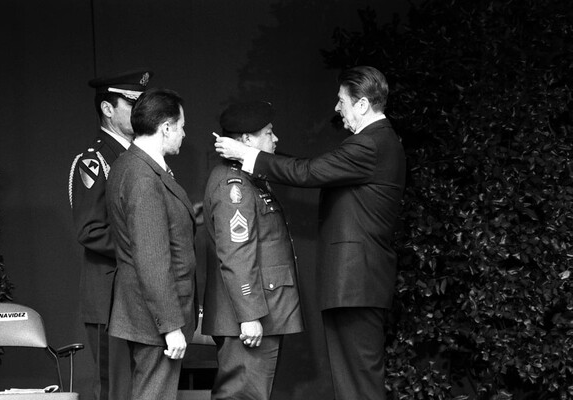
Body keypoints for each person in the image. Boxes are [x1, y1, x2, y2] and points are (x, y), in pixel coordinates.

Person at [214, 66, 406, 400]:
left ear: (361, 105)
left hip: (356, 283)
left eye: (341, 101)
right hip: (357, 283)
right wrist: (256, 157)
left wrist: (248, 155)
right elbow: (309, 167)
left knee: (358, 380)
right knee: (353, 379)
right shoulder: (375, 143)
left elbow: (310, 172)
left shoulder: (370, 144)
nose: (336, 108)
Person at [202, 101, 304, 400]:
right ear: (246, 140)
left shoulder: (248, 178)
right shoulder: (234, 184)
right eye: (268, 132)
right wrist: (249, 315)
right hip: (248, 315)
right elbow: (237, 252)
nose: (275, 139)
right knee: (241, 396)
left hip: (262, 310)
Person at [105, 88, 198, 400]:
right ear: (166, 127)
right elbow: (152, 257)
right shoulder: (145, 177)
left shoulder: (126, 164)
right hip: (154, 317)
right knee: (155, 394)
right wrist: (171, 326)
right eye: (182, 126)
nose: (184, 134)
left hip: (143, 310)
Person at [68, 68, 151, 400]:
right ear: (107, 108)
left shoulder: (139, 159)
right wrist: (146, 248)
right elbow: (90, 231)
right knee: (115, 389)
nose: (141, 113)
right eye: (132, 104)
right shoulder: (95, 160)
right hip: (110, 295)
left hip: (140, 294)